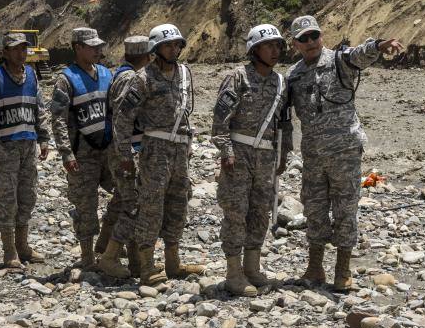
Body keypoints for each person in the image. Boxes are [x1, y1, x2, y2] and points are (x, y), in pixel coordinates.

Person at [284, 16, 402, 290]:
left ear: (321, 36)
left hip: (345, 152)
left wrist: (379, 45)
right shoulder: (293, 75)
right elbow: (282, 115)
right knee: (314, 209)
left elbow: (360, 54)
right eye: (304, 38)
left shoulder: (340, 60)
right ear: (295, 44)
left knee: (345, 209)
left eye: (314, 36)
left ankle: (342, 270)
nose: (310, 42)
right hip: (313, 156)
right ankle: (314, 269)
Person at [118, 23, 204, 286]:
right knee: (151, 206)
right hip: (155, 150)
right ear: (156, 49)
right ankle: (146, 266)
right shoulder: (142, 78)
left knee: (178, 203)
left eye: (177, 44)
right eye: (168, 45)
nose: (174, 49)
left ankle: (172, 262)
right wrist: (124, 154)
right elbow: (123, 117)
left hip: (180, 149)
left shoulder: (185, 74)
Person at [211, 24, 291, 296]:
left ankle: (252, 267)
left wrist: (284, 153)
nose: (275, 51)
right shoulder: (237, 77)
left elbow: (285, 123)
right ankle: (234, 272)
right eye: (269, 46)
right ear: (254, 49)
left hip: (267, 157)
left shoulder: (280, 82)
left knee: (260, 210)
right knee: (235, 211)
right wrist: (226, 151)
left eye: (278, 46)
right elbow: (220, 120)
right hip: (239, 153)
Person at [0, 32, 51, 268]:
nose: (22, 53)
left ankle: (23, 246)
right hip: (5, 148)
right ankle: (9, 251)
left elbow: (39, 107)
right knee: (8, 200)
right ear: (5, 52)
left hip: (28, 145)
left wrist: (44, 137)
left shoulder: (31, 75)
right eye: (16, 49)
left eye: (24, 49)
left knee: (27, 196)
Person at [50, 27, 119, 270]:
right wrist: (66, 153)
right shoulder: (66, 79)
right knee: (85, 205)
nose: (98, 50)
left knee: (126, 193)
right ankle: (88, 258)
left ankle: (108, 243)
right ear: (78, 48)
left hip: (109, 151)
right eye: (92, 46)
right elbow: (57, 119)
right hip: (82, 154)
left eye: (99, 46)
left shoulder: (106, 74)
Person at [98, 36, 153, 279]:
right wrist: (126, 155)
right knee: (133, 205)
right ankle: (110, 257)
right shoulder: (130, 78)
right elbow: (122, 120)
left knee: (122, 200)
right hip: (126, 151)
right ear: (147, 55)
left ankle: (127, 257)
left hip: (122, 149)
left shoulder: (120, 75)